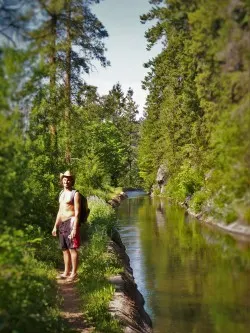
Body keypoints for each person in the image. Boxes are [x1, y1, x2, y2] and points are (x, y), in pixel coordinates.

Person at [52, 170, 81, 281]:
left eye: (69, 179)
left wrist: (74, 228)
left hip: (71, 222)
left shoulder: (75, 194)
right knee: (64, 249)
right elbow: (60, 211)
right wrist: (55, 226)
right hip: (62, 224)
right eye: (65, 179)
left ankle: (74, 273)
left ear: (71, 181)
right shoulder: (61, 194)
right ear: (62, 180)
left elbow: (77, 212)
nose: (66, 181)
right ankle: (66, 272)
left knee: (72, 248)